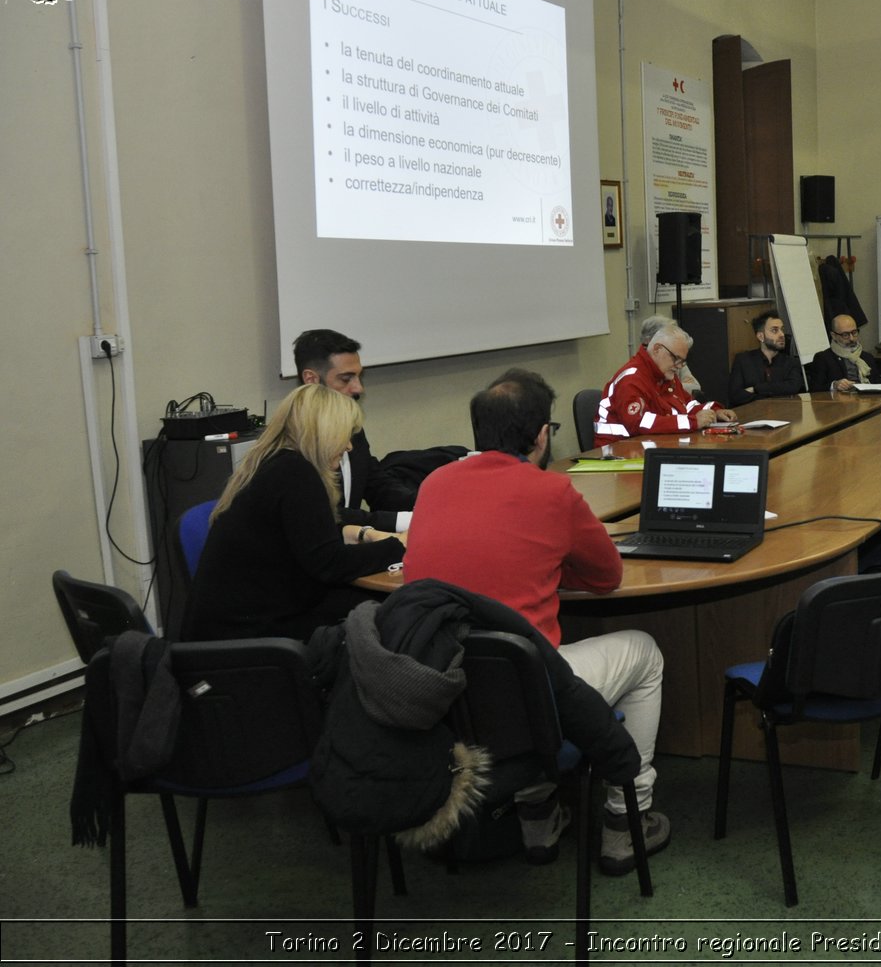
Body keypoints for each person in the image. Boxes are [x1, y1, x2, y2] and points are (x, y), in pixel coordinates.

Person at [404, 368, 670, 874]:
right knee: (643, 652)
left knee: (515, 665)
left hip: (447, 690)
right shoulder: (552, 493)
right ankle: (625, 818)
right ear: (542, 434)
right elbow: (607, 576)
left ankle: (538, 817)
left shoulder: (434, 484)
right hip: (526, 694)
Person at [185, 383, 406, 642]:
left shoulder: (274, 463)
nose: (348, 447)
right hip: (252, 636)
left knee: (371, 606)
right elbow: (330, 564)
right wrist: (398, 545)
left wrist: (362, 533)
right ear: (323, 433)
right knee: (392, 613)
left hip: (235, 622)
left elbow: (306, 532)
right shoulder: (296, 474)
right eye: (344, 435)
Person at [293, 328, 413, 532]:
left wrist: (430, 503)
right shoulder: (294, 443)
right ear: (311, 379)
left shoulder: (352, 429)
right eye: (346, 379)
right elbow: (327, 513)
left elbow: (376, 485)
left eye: (358, 377)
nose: (359, 388)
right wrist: (405, 521)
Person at [594, 320, 735, 446]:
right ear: (657, 349)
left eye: (683, 361)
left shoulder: (665, 375)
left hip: (648, 446)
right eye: (676, 358)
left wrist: (714, 412)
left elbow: (686, 405)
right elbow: (639, 423)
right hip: (616, 453)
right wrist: (692, 422)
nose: (679, 366)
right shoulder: (631, 379)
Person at [728, 309, 803, 406]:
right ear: (760, 336)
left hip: (784, 415)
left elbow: (793, 387)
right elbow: (735, 396)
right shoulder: (743, 361)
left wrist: (756, 389)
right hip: (752, 416)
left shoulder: (791, 362)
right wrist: (775, 393)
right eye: (774, 330)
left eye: (782, 329)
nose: (782, 334)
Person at [810, 313, 881, 392]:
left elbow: (879, 384)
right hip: (840, 402)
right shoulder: (823, 358)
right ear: (833, 335)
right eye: (845, 335)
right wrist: (834, 385)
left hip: (867, 401)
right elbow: (814, 389)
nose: (851, 338)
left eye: (854, 332)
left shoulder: (867, 357)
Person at [639, 313, 701, 395]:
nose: (678, 365)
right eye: (668, 335)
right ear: (652, 341)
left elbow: (695, 387)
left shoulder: (677, 362)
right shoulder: (637, 373)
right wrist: (673, 386)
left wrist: (671, 387)